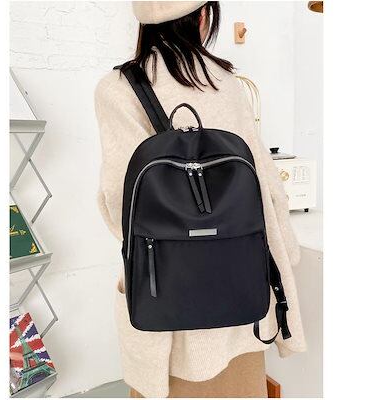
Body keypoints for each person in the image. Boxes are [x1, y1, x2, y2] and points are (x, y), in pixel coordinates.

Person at [95, 1, 306, 397]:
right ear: (204, 15)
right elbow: (266, 187)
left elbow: (117, 201)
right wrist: (285, 258)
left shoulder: (119, 88)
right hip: (239, 287)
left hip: (168, 295)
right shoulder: (225, 82)